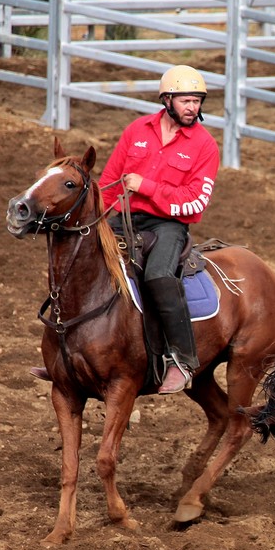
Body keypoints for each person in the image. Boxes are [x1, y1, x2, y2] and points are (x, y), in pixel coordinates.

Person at [101, 64, 220, 391]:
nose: (192, 107)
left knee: (158, 275)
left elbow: (196, 202)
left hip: (168, 224)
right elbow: (109, 181)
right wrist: (98, 218)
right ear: (167, 100)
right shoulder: (137, 130)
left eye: (197, 101)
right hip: (124, 216)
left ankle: (182, 358)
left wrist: (147, 187)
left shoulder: (205, 146)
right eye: (186, 101)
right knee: (82, 258)